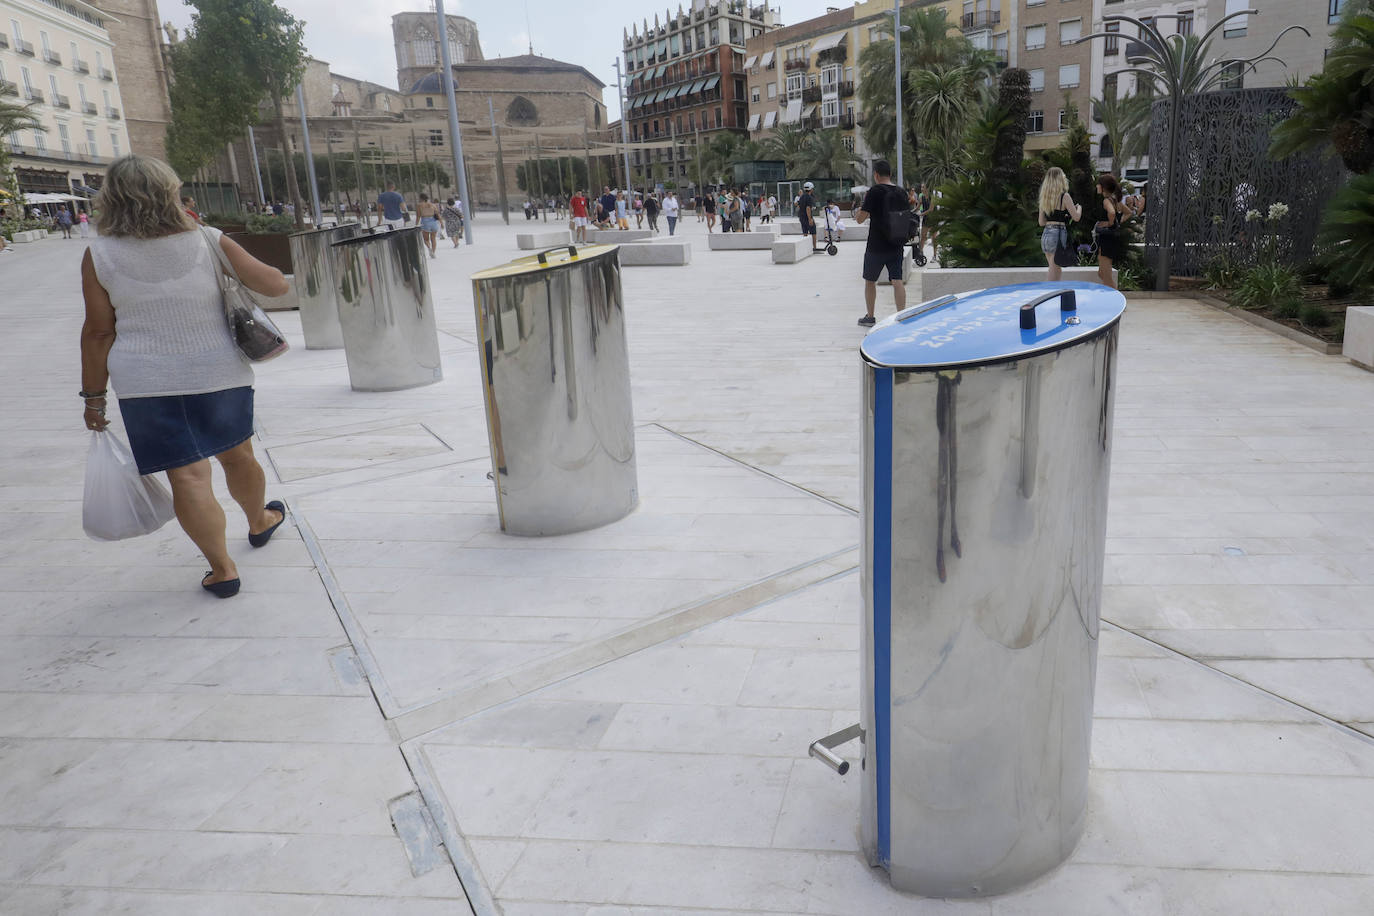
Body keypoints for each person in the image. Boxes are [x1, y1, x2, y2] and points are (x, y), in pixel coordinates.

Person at [79, 155, 290, 598]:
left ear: (111, 200)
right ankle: (259, 521)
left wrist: (94, 398)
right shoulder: (209, 240)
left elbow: (99, 331)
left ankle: (222, 569)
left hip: (144, 382)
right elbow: (276, 285)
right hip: (217, 371)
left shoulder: (98, 254)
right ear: (171, 192)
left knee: (187, 477)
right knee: (238, 457)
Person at [852, 160, 908, 327]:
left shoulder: (874, 191)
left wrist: (860, 212)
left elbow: (861, 219)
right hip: (896, 243)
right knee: (897, 281)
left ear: (876, 175)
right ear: (890, 174)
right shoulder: (901, 192)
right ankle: (902, 316)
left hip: (876, 245)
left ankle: (870, 316)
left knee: (870, 281)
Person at [1037, 167, 1082, 282]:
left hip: (1046, 233)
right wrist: (1079, 208)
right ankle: (1048, 294)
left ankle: (1055, 295)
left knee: (1056, 268)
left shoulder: (1044, 198)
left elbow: (1041, 222)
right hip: (1058, 233)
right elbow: (1076, 217)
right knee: (1054, 269)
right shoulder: (1064, 196)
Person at [1094, 172, 1126, 290]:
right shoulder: (1115, 200)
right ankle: (1110, 298)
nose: (1097, 186)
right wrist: (1118, 222)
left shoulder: (1107, 201)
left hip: (1107, 239)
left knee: (1106, 277)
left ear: (1103, 186)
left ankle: (1116, 300)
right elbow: (1127, 212)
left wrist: (1110, 223)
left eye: (1098, 184)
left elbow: (1112, 213)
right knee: (1101, 273)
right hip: (1109, 239)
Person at [416, 193, 440, 258]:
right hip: (433, 222)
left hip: (425, 222)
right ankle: (433, 252)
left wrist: (416, 225)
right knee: (433, 238)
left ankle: (429, 248)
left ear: (421, 198)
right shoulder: (433, 205)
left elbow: (418, 216)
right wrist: (441, 223)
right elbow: (437, 214)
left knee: (426, 239)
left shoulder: (419, 205)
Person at [797, 181, 819, 252]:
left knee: (805, 232)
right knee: (813, 232)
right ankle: (814, 247)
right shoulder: (809, 197)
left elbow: (799, 206)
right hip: (807, 217)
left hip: (801, 217)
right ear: (811, 189)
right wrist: (810, 219)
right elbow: (808, 208)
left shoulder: (802, 197)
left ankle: (805, 248)